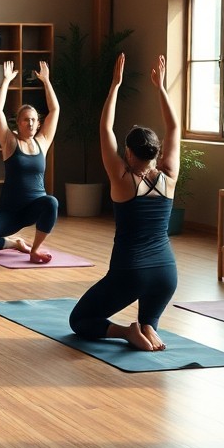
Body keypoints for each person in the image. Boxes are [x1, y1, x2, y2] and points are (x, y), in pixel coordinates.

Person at [69, 54, 179, 351]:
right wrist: (161, 88)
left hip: (131, 272)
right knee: (148, 324)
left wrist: (115, 85)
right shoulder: (169, 176)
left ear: (128, 152)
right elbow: (174, 129)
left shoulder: (123, 179)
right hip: (167, 273)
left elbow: (105, 129)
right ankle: (147, 328)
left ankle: (126, 332)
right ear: (156, 153)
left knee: (80, 320)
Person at [0, 60, 60, 263]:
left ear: (38, 124)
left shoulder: (42, 143)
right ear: (18, 123)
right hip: (10, 212)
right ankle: (15, 243)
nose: (30, 123)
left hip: (34, 208)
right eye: (25, 119)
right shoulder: (10, 142)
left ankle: (35, 249)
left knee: (51, 202)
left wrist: (46, 81)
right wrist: (6, 81)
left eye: (34, 120)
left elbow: (54, 110)